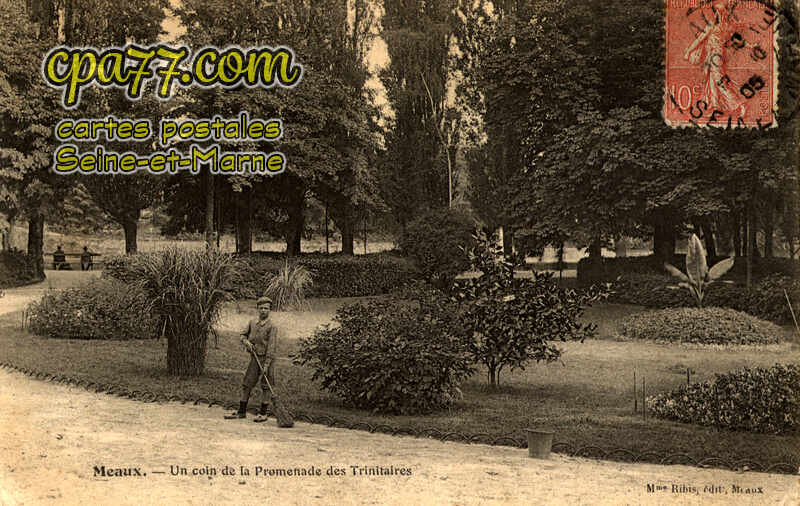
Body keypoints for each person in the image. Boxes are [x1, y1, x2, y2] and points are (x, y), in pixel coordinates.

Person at [225, 296, 279, 422]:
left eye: (266, 308)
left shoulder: (272, 326)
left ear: (270, 310)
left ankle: (263, 413)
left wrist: (266, 365)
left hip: (267, 359)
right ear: (257, 309)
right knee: (247, 383)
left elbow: (271, 347)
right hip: (255, 358)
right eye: (261, 308)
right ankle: (241, 411)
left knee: (266, 385)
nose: (263, 311)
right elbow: (242, 335)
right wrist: (246, 342)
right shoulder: (252, 322)